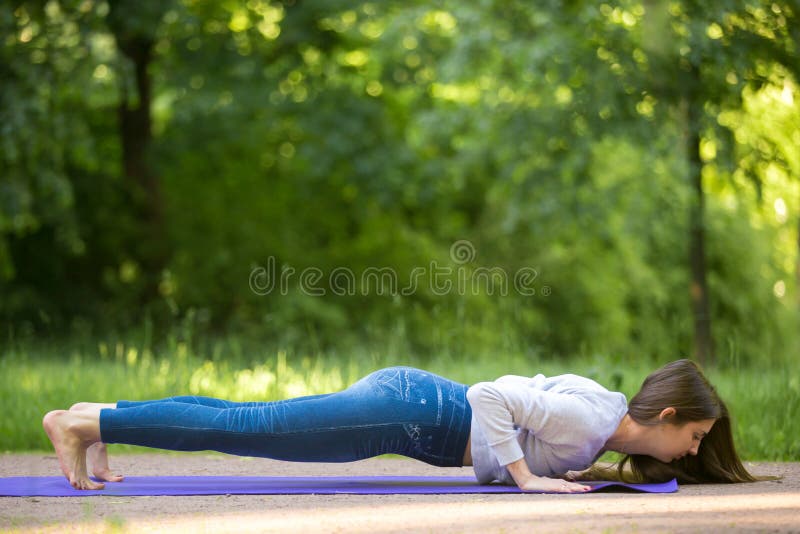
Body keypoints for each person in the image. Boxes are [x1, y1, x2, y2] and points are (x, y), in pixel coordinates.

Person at [43, 359, 756, 492]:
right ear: (667, 416)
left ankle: (91, 420)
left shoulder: (602, 420)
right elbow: (490, 395)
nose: (690, 452)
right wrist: (526, 480)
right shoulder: (588, 416)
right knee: (250, 425)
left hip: (407, 408)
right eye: (693, 439)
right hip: (406, 413)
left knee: (245, 420)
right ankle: (89, 423)